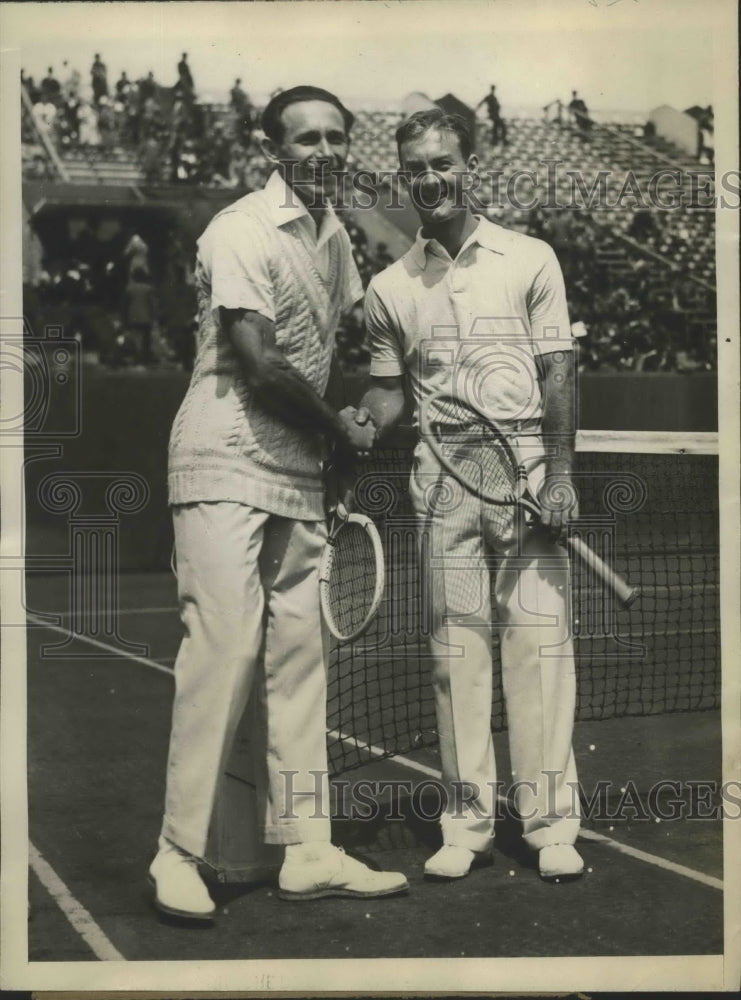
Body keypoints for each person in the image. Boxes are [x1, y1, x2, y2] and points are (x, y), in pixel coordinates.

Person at [148, 84, 409, 921]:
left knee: (301, 662)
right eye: (306, 139)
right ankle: (176, 853)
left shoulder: (336, 240)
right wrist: (339, 430)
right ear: (274, 150)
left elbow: (355, 343)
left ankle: (307, 849)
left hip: (298, 467)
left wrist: (369, 409)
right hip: (223, 454)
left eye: (337, 135)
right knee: (223, 649)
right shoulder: (239, 230)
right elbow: (258, 363)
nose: (325, 150)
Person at [354, 109, 584, 883]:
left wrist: (560, 474)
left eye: (443, 161)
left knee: (539, 648)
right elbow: (389, 394)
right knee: (457, 652)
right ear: (401, 176)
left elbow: (558, 371)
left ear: (468, 163)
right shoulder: (389, 286)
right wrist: (357, 419)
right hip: (442, 475)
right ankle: (466, 824)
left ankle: (550, 823)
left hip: (522, 464)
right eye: (415, 166)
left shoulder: (530, 258)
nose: (430, 177)